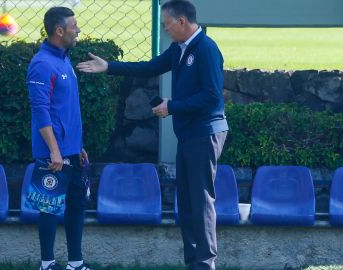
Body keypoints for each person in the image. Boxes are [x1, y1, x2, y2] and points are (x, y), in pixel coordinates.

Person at [76, 1, 228, 269]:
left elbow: (212, 96)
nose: (166, 29)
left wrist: (173, 106)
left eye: (167, 23)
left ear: (182, 21)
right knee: (189, 200)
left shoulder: (206, 49)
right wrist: (109, 66)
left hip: (205, 134)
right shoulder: (179, 48)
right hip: (189, 134)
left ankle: (205, 264)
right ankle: (194, 263)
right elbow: (149, 67)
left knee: (201, 200)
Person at [27, 6, 91, 270]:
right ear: (59, 30)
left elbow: (65, 109)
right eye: (74, 26)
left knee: (76, 207)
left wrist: (78, 146)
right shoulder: (42, 64)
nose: (78, 30)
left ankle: (75, 264)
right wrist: (55, 150)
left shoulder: (63, 59)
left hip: (72, 151)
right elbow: (40, 111)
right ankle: (47, 264)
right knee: (50, 208)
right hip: (53, 154)